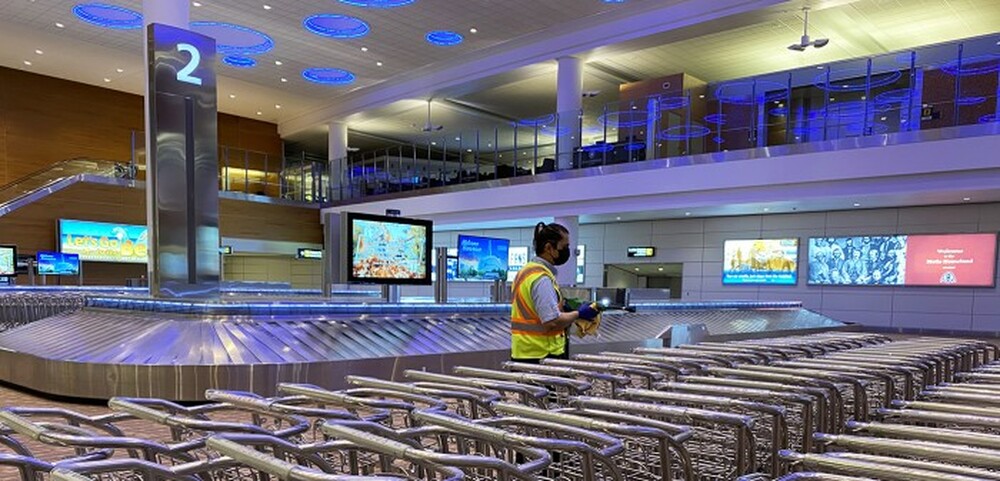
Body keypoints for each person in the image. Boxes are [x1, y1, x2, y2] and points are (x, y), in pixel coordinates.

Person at [510, 222, 599, 363]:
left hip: (525, 352)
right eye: (565, 247)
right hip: (542, 355)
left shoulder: (525, 272)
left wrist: (565, 309)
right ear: (549, 248)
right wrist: (579, 313)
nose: (567, 251)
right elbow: (551, 321)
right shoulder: (541, 278)